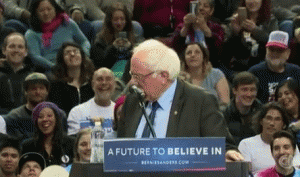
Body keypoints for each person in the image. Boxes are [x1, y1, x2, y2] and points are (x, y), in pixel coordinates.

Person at [117, 39, 244, 162]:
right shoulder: (132, 101)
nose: (133, 82)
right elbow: (120, 151)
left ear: (163, 76)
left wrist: (227, 154)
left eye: (139, 76)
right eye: (132, 75)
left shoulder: (200, 101)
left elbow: (222, 146)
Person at [25, 0, 90, 71]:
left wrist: (84, 55)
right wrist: (54, 67)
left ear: (55, 9)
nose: (46, 13)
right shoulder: (31, 33)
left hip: (74, 62)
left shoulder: (68, 23)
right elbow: (35, 57)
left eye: (49, 9)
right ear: (35, 13)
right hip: (51, 69)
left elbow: (84, 41)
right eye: (41, 10)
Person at [238, 102, 300, 174]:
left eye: (277, 119)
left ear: (283, 125)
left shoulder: (289, 145)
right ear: (261, 121)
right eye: (268, 118)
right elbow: (243, 174)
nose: (272, 123)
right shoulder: (246, 144)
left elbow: (296, 172)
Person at [4, 72, 68, 142]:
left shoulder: (59, 115)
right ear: (26, 92)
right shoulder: (14, 117)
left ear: (47, 91)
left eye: (41, 88)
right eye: (33, 89)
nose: (38, 92)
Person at [223, 0, 279, 71]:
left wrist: (255, 30)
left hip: (263, 64)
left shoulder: (271, 20)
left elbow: (274, 43)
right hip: (240, 65)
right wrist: (236, 32)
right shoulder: (236, 19)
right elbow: (227, 49)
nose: (252, 1)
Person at [248, 30, 300, 104]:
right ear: (266, 50)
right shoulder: (254, 73)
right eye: (271, 50)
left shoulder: (296, 71)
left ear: (288, 53)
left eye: (279, 50)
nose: (275, 53)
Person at [172, 0, 225, 67]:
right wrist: (185, 27)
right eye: (198, 5)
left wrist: (205, 28)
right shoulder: (182, 26)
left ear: (211, 11)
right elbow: (175, 47)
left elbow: (219, 51)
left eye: (205, 6)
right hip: (185, 66)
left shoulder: (217, 28)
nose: (200, 8)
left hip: (210, 65)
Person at [22, 102, 75, 167]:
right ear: (36, 122)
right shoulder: (27, 146)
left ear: (57, 119)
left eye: (49, 116)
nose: (45, 119)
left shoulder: (71, 143)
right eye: (40, 117)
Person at [48, 42, 95, 115]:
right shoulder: (56, 84)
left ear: (82, 57)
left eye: (75, 51)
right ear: (62, 59)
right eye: (67, 53)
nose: (72, 54)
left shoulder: (92, 82)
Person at [90, 3, 140, 71]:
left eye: (122, 19)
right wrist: (113, 48)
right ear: (110, 21)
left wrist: (131, 48)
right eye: (116, 19)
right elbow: (100, 65)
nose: (119, 22)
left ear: (126, 21)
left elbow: (141, 61)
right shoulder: (99, 40)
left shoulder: (135, 38)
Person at [67, 67, 116, 137]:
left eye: (108, 79)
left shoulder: (120, 112)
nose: (104, 83)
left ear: (115, 84)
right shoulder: (77, 112)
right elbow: (74, 144)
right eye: (99, 79)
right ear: (92, 84)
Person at [180, 42, 230, 108]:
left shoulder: (216, 74)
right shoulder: (179, 79)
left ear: (204, 57)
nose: (192, 55)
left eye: (197, 52)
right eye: (189, 53)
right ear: (184, 59)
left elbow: (225, 104)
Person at [0, 32, 35, 114]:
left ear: (26, 52)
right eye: (12, 46)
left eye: (20, 47)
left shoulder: (33, 77)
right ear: (4, 50)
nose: (16, 50)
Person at [223, 71, 262, 145]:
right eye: (244, 90)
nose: (249, 94)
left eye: (252, 90)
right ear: (234, 90)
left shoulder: (263, 113)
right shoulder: (223, 114)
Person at [275, 78, 300, 148]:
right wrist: (293, 128)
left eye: (287, 93)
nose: (283, 97)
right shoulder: (279, 121)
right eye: (279, 96)